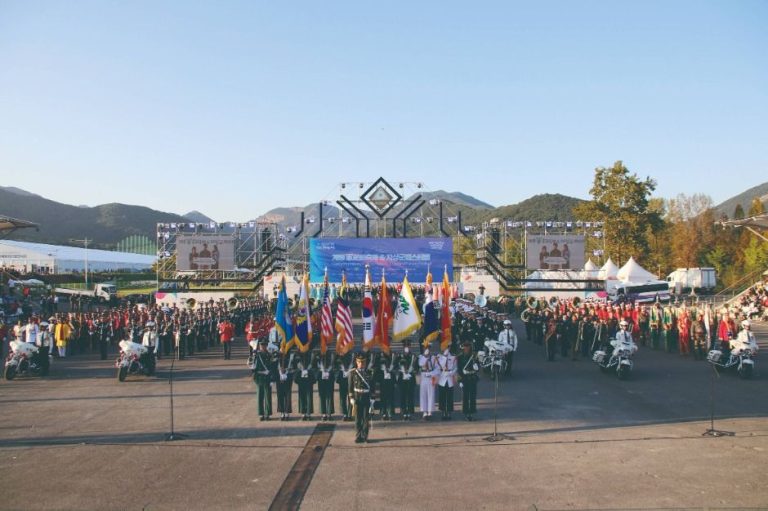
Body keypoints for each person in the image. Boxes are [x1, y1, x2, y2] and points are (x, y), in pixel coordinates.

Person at [348, 352, 373, 444]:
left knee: (366, 418)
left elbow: (372, 386)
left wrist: (373, 398)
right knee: (358, 418)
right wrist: (351, 398)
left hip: (366, 397)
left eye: (363, 362)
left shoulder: (369, 372)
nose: (361, 364)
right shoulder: (353, 373)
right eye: (359, 362)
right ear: (356, 362)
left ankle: (365, 436)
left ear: (365, 363)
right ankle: (358, 436)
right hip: (357, 397)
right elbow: (350, 387)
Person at [456, 340, 479, 421]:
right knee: (465, 397)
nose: (467, 349)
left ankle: (472, 412)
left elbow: (477, 368)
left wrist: (476, 367)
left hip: (472, 378)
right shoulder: (459, 357)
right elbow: (458, 370)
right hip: (464, 379)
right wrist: (459, 381)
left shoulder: (474, 356)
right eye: (465, 348)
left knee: (472, 396)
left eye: (468, 348)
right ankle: (466, 412)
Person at [252, 339, 274, 421]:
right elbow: (253, 368)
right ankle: (261, 414)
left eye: (264, 345)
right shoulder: (256, 356)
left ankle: (267, 413)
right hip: (260, 377)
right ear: (259, 346)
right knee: (260, 396)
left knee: (268, 397)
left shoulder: (269, 355)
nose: (263, 347)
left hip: (267, 378)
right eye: (261, 346)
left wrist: (272, 378)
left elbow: (272, 367)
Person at [396, 339, 417, 420]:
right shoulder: (399, 356)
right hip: (402, 379)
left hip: (410, 378)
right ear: (403, 347)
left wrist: (411, 370)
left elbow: (416, 368)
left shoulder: (413, 356)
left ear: (410, 346)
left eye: (408, 346)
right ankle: (404, 411)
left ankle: (409, 412)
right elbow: (396, 366)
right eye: (405, 346)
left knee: (410, 395)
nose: (407, 347)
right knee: (403, 396)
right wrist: (402, 370)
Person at [436, 346, 457, 420]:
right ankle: (443, 412)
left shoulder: (453, 357)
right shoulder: (439, 357)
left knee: (449, 396)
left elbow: (455, 368)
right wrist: (444, 356)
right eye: (445, 347)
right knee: (442, 396)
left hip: (450, 378)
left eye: (448, 347)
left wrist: (451, 373)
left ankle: (449, 412)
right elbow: (439, 367)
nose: (446, 349)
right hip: (442, 378)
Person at [295, 351, 316, 421]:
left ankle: (308, 413)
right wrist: (300, 367)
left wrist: (309, 367)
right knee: (302, 396)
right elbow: (295, 363)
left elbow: (314, 363)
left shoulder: (310, 353)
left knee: (309, 396)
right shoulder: (298, 353)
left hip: (309, 377)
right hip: (301, 378)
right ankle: (303, 413)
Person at [418, 346, 437, 420]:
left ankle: (430, 411)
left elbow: (437, 369)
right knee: (423, 394)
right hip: (423, 378)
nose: (426, 350)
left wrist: (431, 373)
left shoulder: (433, 358)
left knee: (431, 394)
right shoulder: (421, 357)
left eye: (428, 348)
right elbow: (420, 364)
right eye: (425, 348)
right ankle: (424, 411)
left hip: (430, 378)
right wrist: (425, 356)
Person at [276, 350, 295, 421]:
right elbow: (274, 367)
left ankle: (287, 412)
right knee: (280, 395)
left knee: (288, 395)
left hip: (288, 378)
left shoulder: (290, 356)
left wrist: (287, 373)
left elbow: (294, 367)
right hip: (279, 378)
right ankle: (282, 412)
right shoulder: (277, 356)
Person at [317, 350, 335, 421]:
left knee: (330, 396)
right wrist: (321, 368)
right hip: (321, 377)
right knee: (322, 396)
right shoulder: (318, 355)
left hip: (329, 376)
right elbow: (315, 365)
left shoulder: (330, 354)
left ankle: (329, 413)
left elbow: (334, 363)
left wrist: (328, 369)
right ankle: (323, 413)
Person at [335, 351, 353, 421]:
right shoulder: (339, 355)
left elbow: (354, 365)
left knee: (350, 398)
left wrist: (349, 368)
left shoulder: (351, 355)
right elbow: (335, 364)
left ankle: (350, 414)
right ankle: (345, 414)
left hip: (350, 380)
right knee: (342, 398)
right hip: (342, 379)